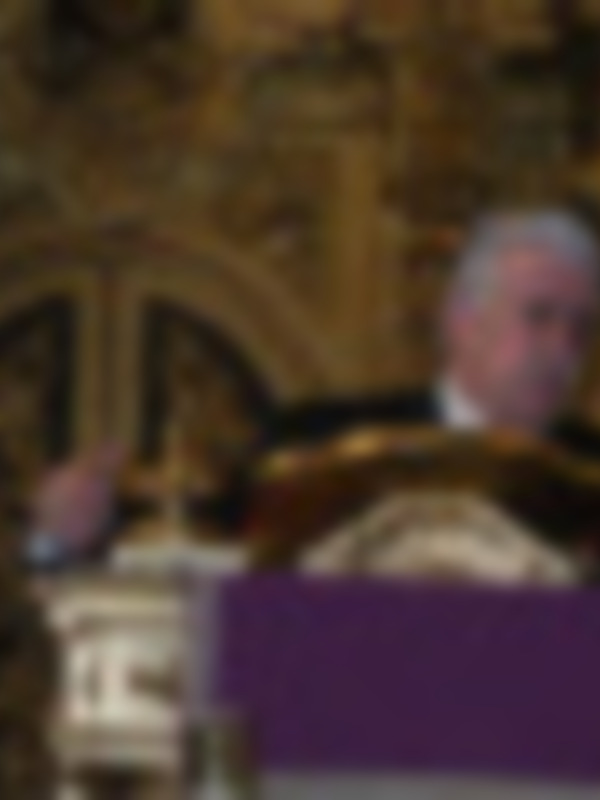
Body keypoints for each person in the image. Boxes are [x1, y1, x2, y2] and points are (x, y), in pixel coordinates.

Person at [28, 209, 600, 565]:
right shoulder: (322, 445)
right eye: (539, 316)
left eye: (581, 328)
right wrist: (69, 536)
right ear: (462, 322)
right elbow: (198, 549)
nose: (564, 349)